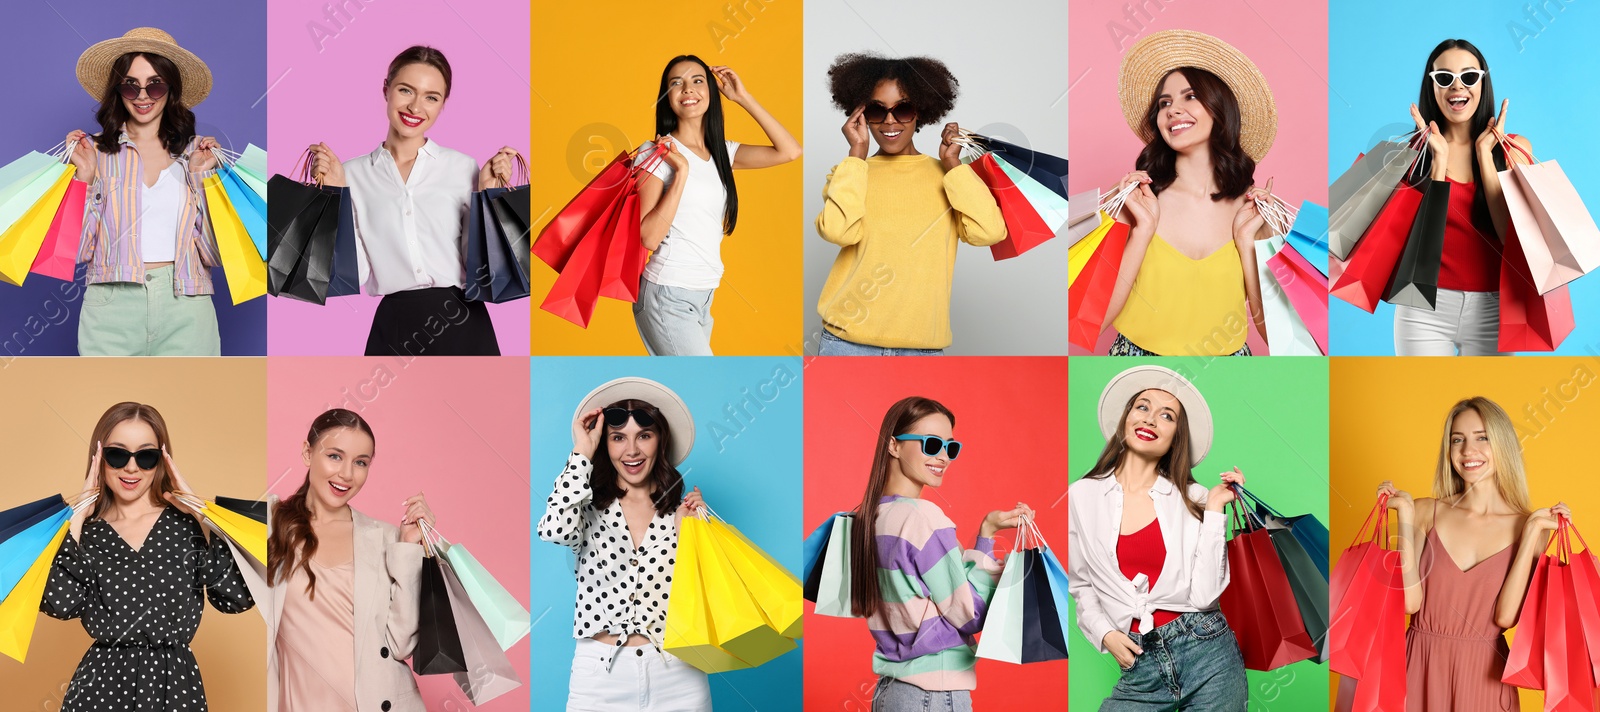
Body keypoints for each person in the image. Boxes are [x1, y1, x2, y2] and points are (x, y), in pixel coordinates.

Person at [44, 402, 254, 711]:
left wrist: (201, 512)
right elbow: (60, 604)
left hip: (177, 686)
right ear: (99, 459)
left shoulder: (186, 526)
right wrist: (78, 515)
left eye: (146, 457)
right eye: (117, 455)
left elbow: (236, 597)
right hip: (100, 689)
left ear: (162, 462)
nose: (132, 468)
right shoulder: (87, 534)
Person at [309, 45, 518, 356]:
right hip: (395, 322)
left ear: (442, 104)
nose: (415, 107)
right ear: (387, 90)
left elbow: (478, 266)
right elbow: (357, 272)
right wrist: (334, 195)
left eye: (431, 97)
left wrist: (487, 194)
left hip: (463, 319)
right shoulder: (351, 173)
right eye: (406, 90)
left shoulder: (462, 167)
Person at [1067, 365, 1249, 710]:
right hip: (1141, 662)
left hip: (1208, 650)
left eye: (1167, 415)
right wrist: (1104, 633)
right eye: (1142, 407)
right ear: (1125, 420)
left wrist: (1213, 510)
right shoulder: (1082, 496)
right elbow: (1081, 583)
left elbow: (1206, 595)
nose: (1150, 419)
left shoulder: (1193, 497)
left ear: (1176, 436)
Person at [1377, 396, 1570, 711]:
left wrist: (1533, 530)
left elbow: (1505, 618)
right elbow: (1410, 603)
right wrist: (1405, 515)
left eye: (1482, 438)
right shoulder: (1425, 511)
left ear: (1502, 444)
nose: (1468, 451)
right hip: (1418, 665)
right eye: (1458, 440)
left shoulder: (1531, 527)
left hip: (1484, 676)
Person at [1099, 30, 1279, 356]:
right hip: (1136, 365)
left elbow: (1276, 336)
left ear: (1220, 108)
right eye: (1164, 103)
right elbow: (1094, 320)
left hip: (1226, 372)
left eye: (1190, 96)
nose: (1172, 110)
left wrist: (1246, 244)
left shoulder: (1256, 213)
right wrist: (1142, 233)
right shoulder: (1134, 202)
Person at [814, 53, 1008, 356]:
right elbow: (839, 233)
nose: (890, 121)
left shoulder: (947, 176)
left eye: (902, 109)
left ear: (920, 111)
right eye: (877, 110)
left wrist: (953, 165)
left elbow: (990, 232)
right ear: (862, 115)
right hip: (846, 344)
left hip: (922, 349)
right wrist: (856, 154)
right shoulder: (850, 172)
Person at [847, 396, 1031, 710]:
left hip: (889, 694)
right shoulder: (923, 518)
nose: (943, 456)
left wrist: (986, 531)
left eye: (951, 447)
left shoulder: (868, 519)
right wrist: (990, 546)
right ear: (893, 445)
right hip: (932, 695)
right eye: (931, 444)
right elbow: (968, 614)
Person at [538, 377, 710, 710]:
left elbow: (706, 593)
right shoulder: (585, 508)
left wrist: (698, 532)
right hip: (600, 676)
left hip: (678, 672)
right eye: (618, 438)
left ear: (660, 441)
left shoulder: (680, 512)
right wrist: (581, 453)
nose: (631, 451)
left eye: (644, 436)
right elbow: (554, 528)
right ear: (606, 443)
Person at [66, 28, 226, 356]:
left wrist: (200, 177)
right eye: (130, 84)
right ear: (118, 90)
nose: (143, 96)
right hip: (110, 307)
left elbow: (216, 254)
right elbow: (76, 251)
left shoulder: (199, 153)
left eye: (155, 84)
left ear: (171, 89)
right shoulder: (92, 152)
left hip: (187, 305)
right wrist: (85, 178)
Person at [265, 408, 436, 712]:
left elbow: (401, 645)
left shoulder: (385, 537)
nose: (346, 474)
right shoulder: (270, 524)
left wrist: (410, 549)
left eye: (360, 463)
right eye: (334, 456)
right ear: (308, 453)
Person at [632, 55, 801, 355]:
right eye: (676, 83)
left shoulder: (722, 152)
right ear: (666, 97)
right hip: (667, 293)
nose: (688, 90)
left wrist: (743, 97)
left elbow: (789, 151)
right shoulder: (655, 152)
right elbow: (648, 237)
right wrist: (681, 172)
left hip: (704, 294)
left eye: (697, 81)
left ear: (711, 90)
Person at [1390, 39, 1530, 356]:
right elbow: (1419, 250)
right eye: (1444, 77)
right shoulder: (1409, 155)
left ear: (1482, 82)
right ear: (1432, 87)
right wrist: (1437, 163)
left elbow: (1512, 238)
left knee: (1490, 401)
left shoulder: (1514, 150)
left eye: (1468, 77)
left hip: (1495, 307)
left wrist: (1485, 155)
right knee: (1423, 400)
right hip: (1423, 306)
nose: (1457, 86)